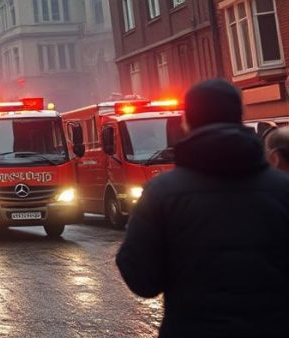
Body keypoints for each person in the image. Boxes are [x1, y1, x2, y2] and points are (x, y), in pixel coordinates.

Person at [117, 80, 289, 338]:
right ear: (239, 117)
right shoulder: (283, 190)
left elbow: (142, 280)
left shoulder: (162, 192)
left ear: (186, 122)